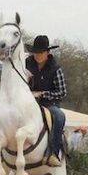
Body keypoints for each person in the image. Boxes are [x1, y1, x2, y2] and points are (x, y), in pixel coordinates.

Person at [25, 35, 67, 167]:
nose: (38, 55)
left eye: (41, 52)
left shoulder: (56, 69)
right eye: (36, 52)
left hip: (48, 104)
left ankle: (52, 153)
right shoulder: (26, 63)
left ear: (48, 53)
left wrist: (42, 94)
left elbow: (62, 92)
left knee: (59, 117)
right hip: (27, 102)